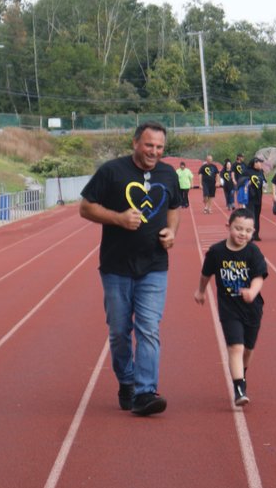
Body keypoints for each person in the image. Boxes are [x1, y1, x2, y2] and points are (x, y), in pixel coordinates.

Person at [79, 122, 181, 416]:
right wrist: (118, 219)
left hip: (154, 265)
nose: (154, 152)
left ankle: (145, 391)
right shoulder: (112, 171)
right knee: (120, 331)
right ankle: (127, 380)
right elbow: (86, 207)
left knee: (148, 328)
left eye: (160, 147)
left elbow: (174, 208)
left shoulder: (168, 173)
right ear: (135, 142)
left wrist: (172, 232)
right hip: (116, 266)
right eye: (149, 145)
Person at [194, 208, 267, 407]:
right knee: (235, 347)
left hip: (252, 308)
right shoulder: (217, 252)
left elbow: (259, 276)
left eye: (248, 231)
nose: (243, 234)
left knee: (248, 350)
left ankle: (241, 375)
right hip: (229, 308)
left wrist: (252, 291)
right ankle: (238, 388)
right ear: (228, 227)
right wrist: (200, 291)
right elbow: (206, 274)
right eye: (238, 229)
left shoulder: (253, 251)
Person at [243, 157, 266, 241]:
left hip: (259, 197)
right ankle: (250, 234)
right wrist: (248, 183)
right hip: (250, 197)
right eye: (259, 163)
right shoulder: (247, 172)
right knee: (251, 216)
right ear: (255, 163)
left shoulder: (261, 171)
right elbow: (242, 182)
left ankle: (256, 234)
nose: (261, 164)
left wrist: (264, 184)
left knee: (257, 216)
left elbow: (264, 181)